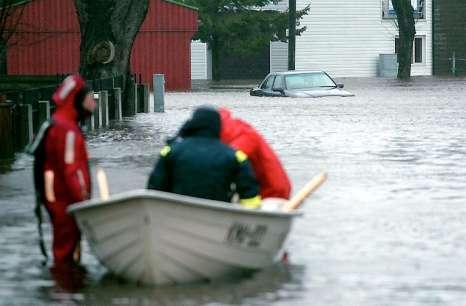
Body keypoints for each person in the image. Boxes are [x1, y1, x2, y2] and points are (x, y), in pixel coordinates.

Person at [29, 74, 96, 266]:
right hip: (66, 202)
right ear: (78, 100)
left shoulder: (59, 123)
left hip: (58, 200)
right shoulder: (67, 130)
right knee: (65, 254)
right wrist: (84, 202)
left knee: (64, 250)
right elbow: (71, 170)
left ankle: (65, 287)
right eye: (91, 99)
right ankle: (65, 290)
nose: (94, 104)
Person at [147, 106, 261, 208]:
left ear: (192, 124)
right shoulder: (234, 155)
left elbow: (155, 186)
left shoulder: (171, 151)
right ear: (218, 127)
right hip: (218, 214)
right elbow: (249, 192)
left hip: (179, 212)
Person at [219, 108, 291, 200]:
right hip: (260, 191)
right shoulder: (237, 131)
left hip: (272, 194)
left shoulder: (244, 136)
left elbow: (227, 162)